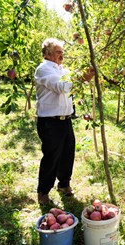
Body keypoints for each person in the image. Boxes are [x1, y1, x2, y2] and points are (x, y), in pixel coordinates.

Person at [34, 38, 94, 205]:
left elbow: (72, 86)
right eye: (58, 52)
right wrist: (82, 78)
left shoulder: (63, 69)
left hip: (65, 119)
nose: (61, 55)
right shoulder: (43, 69)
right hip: (50, 121)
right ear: (47, 54)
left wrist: (84, 78)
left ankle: (64, 184)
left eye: (61, 52)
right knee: (51, 156)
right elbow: (61, 87)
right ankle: (43, 192)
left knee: (67, 153)